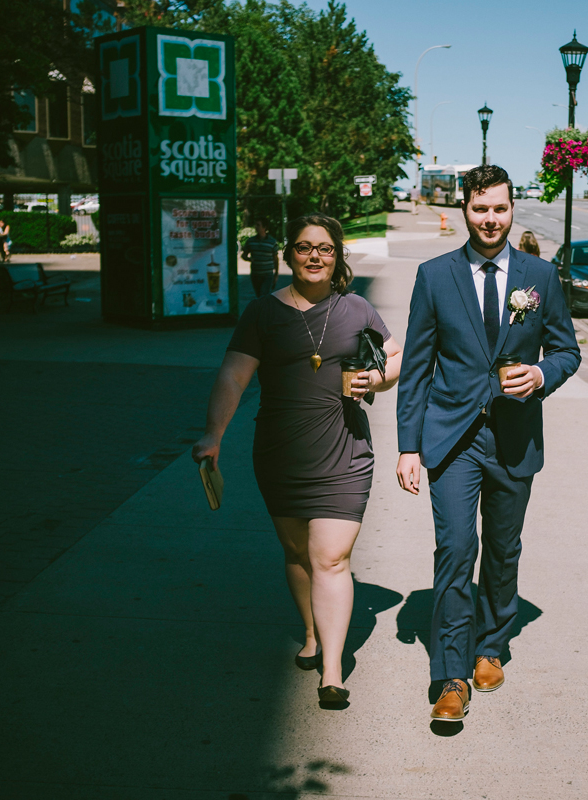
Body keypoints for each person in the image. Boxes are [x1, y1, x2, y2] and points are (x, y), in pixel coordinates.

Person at [192, 213, 402, 707]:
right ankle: (310, 631)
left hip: (345, 450)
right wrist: (213, 434)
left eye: (325, 248)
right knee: (296, 554)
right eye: (305, 247)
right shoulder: (263, 313)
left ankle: (332, 670)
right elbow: (233, 377)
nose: (315, 256)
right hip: (280, 453)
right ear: (288, 254)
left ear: (337, 257)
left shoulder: (355, 308)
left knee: (330, 558)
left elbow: (394, 355)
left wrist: (377, 380)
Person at [396, 164, 581, 723]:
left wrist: (542, 375)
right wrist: (409, 444)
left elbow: (567, 350)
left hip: (514, 436)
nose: (490, 219)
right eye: (480, 209)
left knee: (503, 549)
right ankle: (450, 676)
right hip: (452, 437)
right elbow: (417, 368)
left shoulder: (540, 277)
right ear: (464, 211)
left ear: (511, 209)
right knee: (456, 549)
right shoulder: (434, 276)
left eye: (499, 208)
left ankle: (491, 644)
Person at [242, 219, 280, 298]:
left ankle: (264, 310)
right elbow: (244, 255)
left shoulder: (272, 242)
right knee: (259, 295)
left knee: (264, 294)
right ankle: (262, 309)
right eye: (255, 225)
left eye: (258, 225)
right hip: (255, 274)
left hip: (267, 274)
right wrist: (249, 259)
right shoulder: (251, 241)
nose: (256, 227)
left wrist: (276, 274)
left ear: (264, 227)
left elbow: (275, 259)